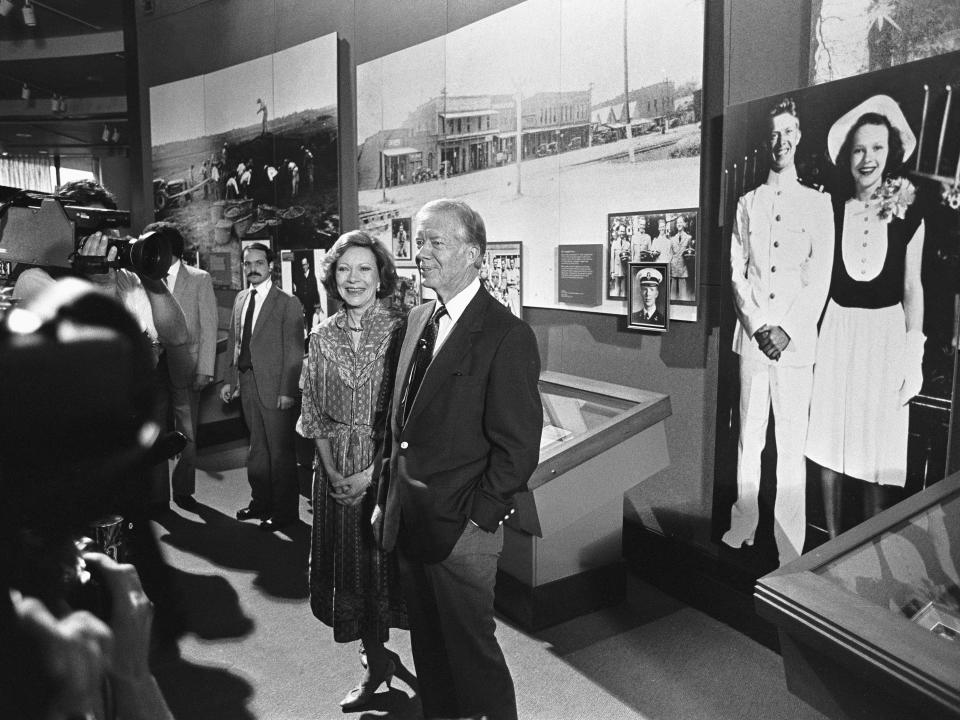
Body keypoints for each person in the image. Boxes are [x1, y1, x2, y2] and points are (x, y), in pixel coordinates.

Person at [373, 198, 542, 720]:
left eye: (433, 242)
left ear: (472, 254)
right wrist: (387, 499)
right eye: (417, 240)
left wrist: (480, 518)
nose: (419, 253)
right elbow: (397, 427)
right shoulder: (418, 318)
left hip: (462, 532)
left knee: (474, 661)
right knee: (430, 652)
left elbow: (517, 448)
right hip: (410, 518)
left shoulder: (505, 335)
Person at [297, 230, 409, 712]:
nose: (353, 279)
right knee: (352, 571)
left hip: (387, 469)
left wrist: (369, 475)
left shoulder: (406, 331)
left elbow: (408, 415)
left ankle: (414, 663)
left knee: (389, 569)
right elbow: (314, 412)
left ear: (381, 275)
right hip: (335, 471)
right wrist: (333, 471)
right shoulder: (321, 335)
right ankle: (375, 661)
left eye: (364, 268)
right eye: (344, 269)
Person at [806, 95, 925, 536]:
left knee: (878, 451)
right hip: (838, 332)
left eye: (876, 148)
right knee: (829, 444)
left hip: (885, 336)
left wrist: (913, 352)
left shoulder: (908, 213)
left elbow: (913, 287)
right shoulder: (831, 210)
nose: (867, 158)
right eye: (859, 149)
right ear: (847, 157)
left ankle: (871, 550)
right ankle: (832, 549)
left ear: (891, 152)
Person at [722, 97, 834, 567]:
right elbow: (736, 271)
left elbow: (820, 275)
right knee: (750, 438)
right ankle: (743, 524)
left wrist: (785, 329)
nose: (780, 142)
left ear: (800, 135)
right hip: (752, 341)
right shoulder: (748, 203)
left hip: (795, 344)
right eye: (773, 133)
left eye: (788, 132)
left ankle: (789, 544)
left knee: (791, 445)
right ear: (765, 140)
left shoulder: (817, 203)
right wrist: (758, 324)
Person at [220, 242, 305, 532]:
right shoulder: (241, 298)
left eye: (258, 263)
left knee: (280, 453)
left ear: (270, 266)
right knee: (257, 449)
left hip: (276, 387)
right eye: (247, 264)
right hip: (247, 382)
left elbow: (294, 352)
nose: (252, 268)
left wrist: (287, 391)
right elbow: (235, 342)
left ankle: (284, 513)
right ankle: (261, 502)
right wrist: (230, 381)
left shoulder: (287, 303)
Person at [143, 221, 218, 510]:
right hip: (153, 367)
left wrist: (205, 369)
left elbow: (210, 326)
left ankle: (184, 490)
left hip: (187, 367)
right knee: (156, 431)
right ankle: (158, 496)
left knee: (186, 432)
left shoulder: (200, 279)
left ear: (167, 247)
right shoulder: (144, 277)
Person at [293, 255, 322, 335]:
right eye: (302, 265)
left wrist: (317, 306)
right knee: (303, 324)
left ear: (308, 265)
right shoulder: (300, 277)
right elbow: (298, 291)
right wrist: (300, 304)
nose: (304, 267)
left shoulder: (312, 276)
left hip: (311, 304)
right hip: (303, 305)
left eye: (305, 264)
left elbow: (315, 291)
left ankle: (310, 340)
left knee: (312, 323)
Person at [669, 214, 694, 301]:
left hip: (683, 270)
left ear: (684, 224)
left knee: (683, 297)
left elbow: (690, 254)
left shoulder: (688, 238)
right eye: (677, 223)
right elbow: (670, 254)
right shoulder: (672, 239)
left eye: (680, 222)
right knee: (672, 297)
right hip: (674, 269)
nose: (679, 224)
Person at [608, 222, 630, 296]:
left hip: (624, 270)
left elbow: (630, 258)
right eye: (621, 231)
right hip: (616, 270)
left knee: (624, 292)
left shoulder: (628, 244)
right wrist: (612, 272)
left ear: (625, 232)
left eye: (623, 231)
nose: (622, 233)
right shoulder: (614, 243)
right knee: (617, 290)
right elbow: (612, 258)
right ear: (618, 231)